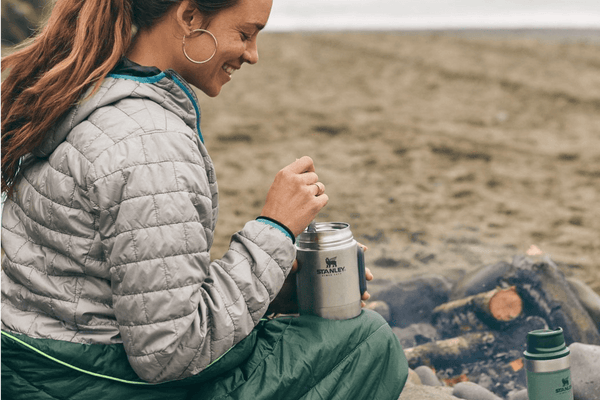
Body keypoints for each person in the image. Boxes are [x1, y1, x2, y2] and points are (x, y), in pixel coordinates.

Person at [0, 0, 408, 399]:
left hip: (40, 365)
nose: (253, 55)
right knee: (365, 343)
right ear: (190, 16)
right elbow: (169, 353)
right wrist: (276, 229)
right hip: (93, 381)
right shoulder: (151, 141)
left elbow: (138, 293)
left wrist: (272, 295)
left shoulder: (86, 93)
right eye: (245, 34)